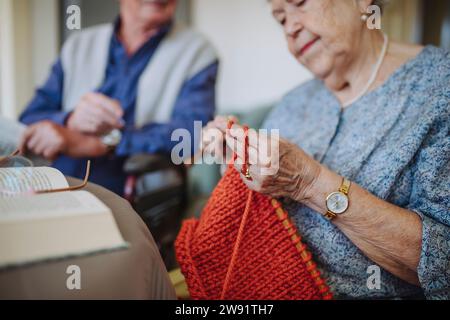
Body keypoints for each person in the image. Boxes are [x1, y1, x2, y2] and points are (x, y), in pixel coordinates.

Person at [203, 0, 449, 299]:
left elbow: (443, 262)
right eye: (280, 19)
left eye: (300, 3)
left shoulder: (440, 86)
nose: (291, 28)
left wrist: (310, 183)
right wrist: (236, 158)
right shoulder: (293, 103)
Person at [20, 0, 218, 195]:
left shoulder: (198, 52)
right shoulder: (78, 45)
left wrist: (104, 143)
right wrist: (69, 121)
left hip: (136, 196)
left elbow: (193, 133)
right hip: (52, 183)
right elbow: (28, 119)